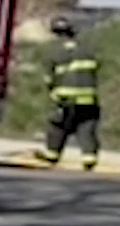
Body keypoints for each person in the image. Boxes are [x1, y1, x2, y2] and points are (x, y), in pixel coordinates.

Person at [35, 16, 101, 171]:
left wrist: (53, 93)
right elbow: (95, 70)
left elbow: (48, 78)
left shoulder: (53, 51)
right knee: (86, 127)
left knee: (57, 126)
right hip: (88, 97)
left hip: (65, 99)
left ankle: (52, 154)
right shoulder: (86, 49)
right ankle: (89, 157)